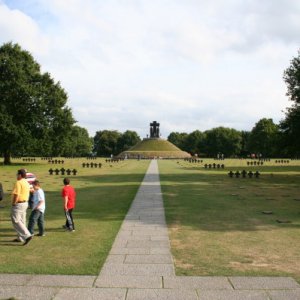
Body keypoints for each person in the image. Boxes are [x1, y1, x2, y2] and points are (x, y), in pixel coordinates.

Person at [11, 169, 32, 245]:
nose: (16, 175)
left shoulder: (18, 182)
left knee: (16, 220)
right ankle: (21, 237)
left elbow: (17, 194)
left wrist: (14, 203)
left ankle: (27, 235)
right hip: (25, 203)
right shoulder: (26, 182)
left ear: (20, 175)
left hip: (19, 204)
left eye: (17, 174)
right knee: (22, 220)